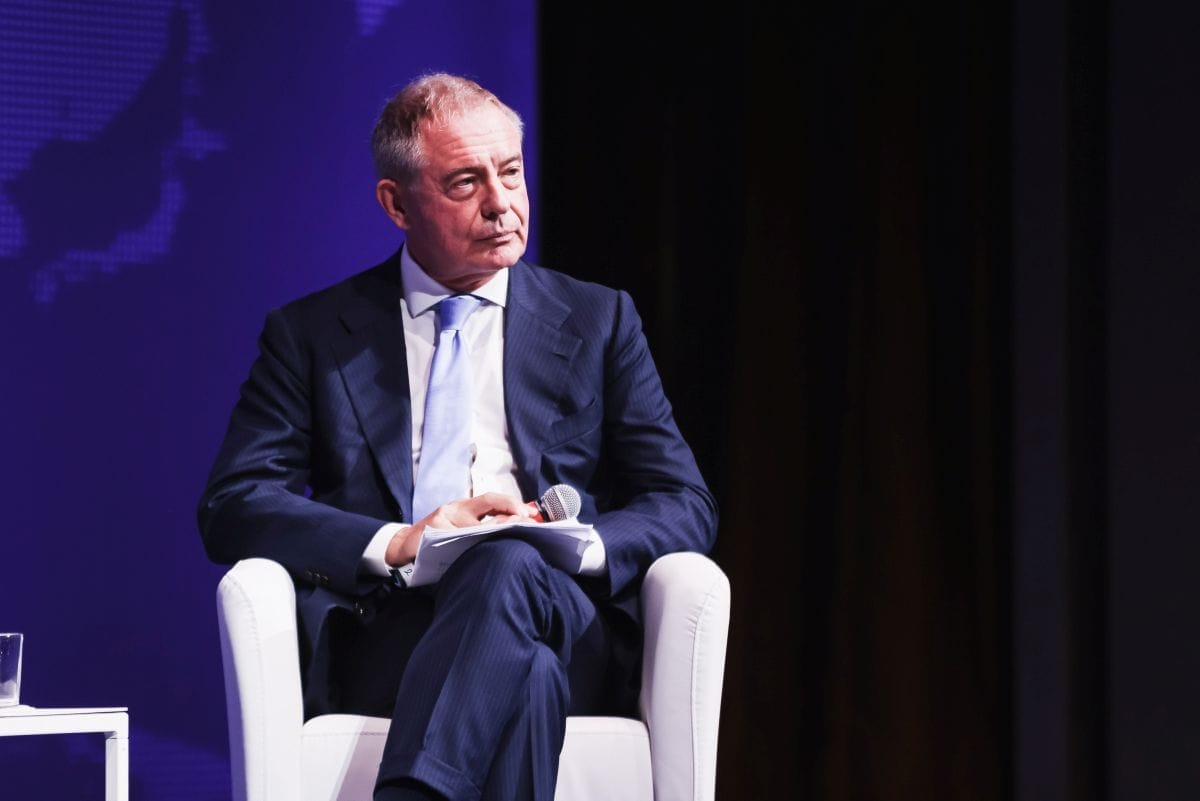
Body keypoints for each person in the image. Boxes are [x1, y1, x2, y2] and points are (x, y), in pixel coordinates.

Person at [197, 71, 717, 801]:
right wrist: (401, 542)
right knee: (527, 679)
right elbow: (234, 503)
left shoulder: (599, 320)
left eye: (511, 172)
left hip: (562, 611)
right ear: (396, 203)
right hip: (390, 628)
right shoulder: (312, 334)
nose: (501, 204)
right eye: (467, 182)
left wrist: (574, 543)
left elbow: (685, 501)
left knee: (509, 563)